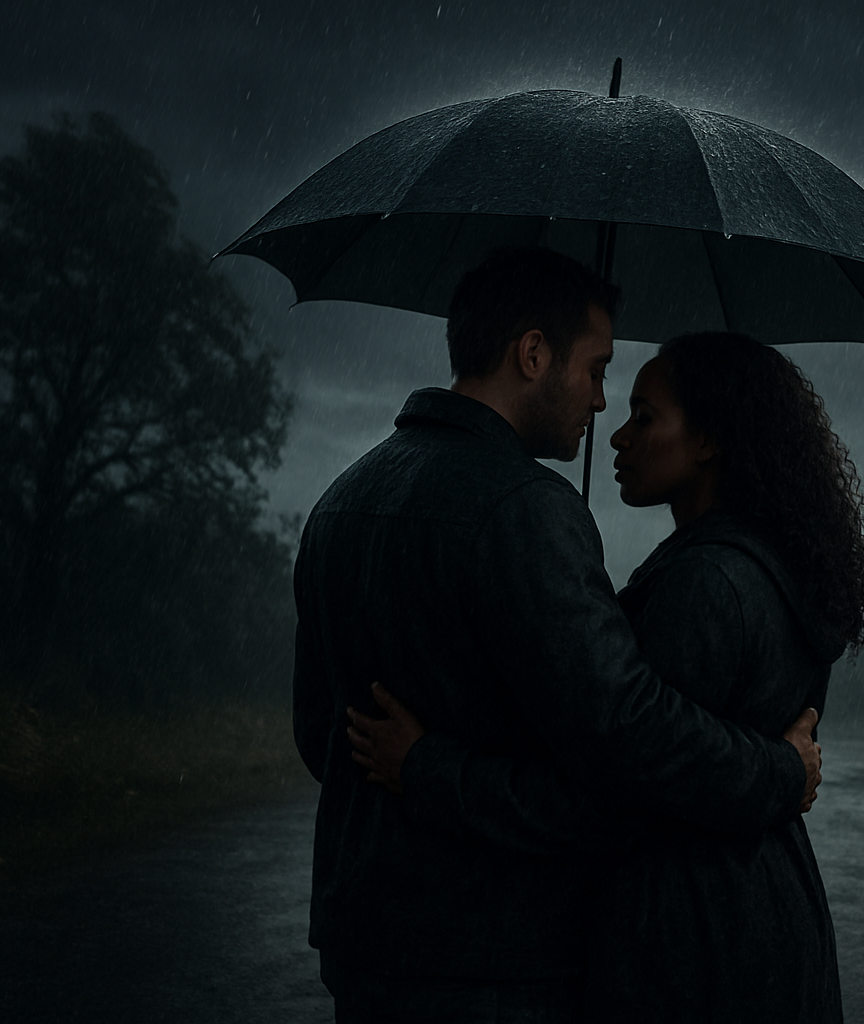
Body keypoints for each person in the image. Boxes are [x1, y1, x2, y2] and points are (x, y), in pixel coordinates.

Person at [292, 248, 822, 1024]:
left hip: (362, 941)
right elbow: (625, 745)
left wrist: (415, 781)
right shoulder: (526, 509)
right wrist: (778, 770)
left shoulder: (341, 500)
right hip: (492, 956)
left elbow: (320, 735)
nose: (600, 402)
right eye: (596, 369)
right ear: (533, 354)